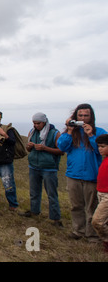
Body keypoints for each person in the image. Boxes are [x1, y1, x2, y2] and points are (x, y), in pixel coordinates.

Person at [57, 103, 107, 241]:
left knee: (92, 208)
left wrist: (90, 134)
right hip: (73, 175)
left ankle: (92, 234)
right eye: (80, 116)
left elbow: (101, 151)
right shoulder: (71, 132)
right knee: (76, 206)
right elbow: (61, 147)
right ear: (75, 117)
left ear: (91, 117)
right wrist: (69, 131)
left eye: (86, 115)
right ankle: (78, 231)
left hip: (92, 176)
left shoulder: (100, 132)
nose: (83, 118)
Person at [22, 112, 63, 226]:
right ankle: (34, 211)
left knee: (51, 194)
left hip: (49, 168)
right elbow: (28, 150)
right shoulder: (32, 132)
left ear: (44, 122)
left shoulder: (55, 133)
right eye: (34, 123)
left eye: (38, 123)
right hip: (34, 166)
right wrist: (29, 147)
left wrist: (45, 148)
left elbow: (61, 151)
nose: (36, 125)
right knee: (34, 191)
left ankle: (55, 219)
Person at [0, 110, 19, 211]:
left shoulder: (7, 129)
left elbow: (12, 142)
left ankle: (13, 204)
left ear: (0, 119)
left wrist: (4, 135)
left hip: (5, 162)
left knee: (8, 184)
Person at [92, 134, 108, 252]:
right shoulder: (105, 159)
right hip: (101, 192)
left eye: (103, 146)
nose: (100, 149)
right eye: (99, 146)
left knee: (97, 221)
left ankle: (106, 241)